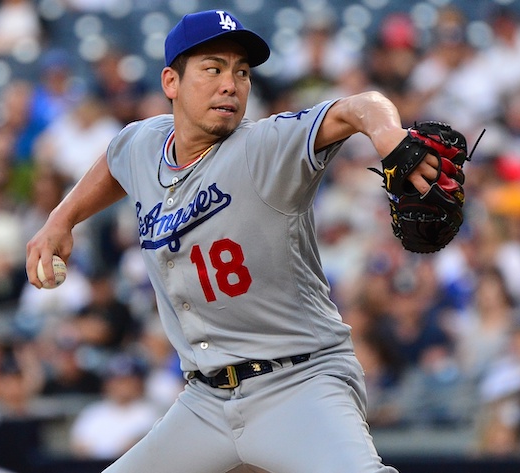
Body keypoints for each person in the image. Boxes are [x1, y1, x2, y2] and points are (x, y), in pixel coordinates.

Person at [26, 9, 442, 473]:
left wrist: (387, 134)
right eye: (213, 68)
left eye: (241, 72)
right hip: (205, 401)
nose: (231, 83)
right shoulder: (145, 144)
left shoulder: (265, 146)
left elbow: (358, 106)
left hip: (299, 383)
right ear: (171, 82)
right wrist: (60, 219)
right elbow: (115, 160)